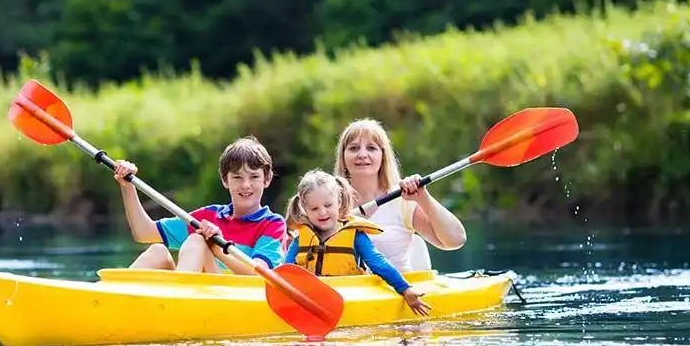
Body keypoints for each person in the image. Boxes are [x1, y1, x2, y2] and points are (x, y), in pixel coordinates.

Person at [112, 136, 287, 274]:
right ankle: (111, 298)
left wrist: (217, 247)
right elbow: (144, 233)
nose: (246, 185)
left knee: (198, 240)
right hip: (196, 292)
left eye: (254, 177)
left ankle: (178, 303)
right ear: (225, 180)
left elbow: (259, 274)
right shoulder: (209, 217)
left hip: (229, 300)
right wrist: (128, 187)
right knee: (157, 251)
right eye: (237, 177)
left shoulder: (273, 224)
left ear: (267, 179)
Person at [283, 169, 430, 316]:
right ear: (304, 209)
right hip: (313, 301)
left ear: (339, 202)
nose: (322, 213)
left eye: (328, 205)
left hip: (350, 298)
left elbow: (378, 263)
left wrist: (405, 289)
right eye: (314, 208)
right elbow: (284, 271)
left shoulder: (355, 235)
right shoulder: (300, 239)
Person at [334, 118, 467, 272]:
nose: (362, 154)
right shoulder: (327, 203)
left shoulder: (402, 201)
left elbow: (456, 240)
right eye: (354, 148)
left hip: (399, 291)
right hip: (348, 291)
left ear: (383, 156)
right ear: (343, 157)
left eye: (371, 148)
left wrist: (423, 198)